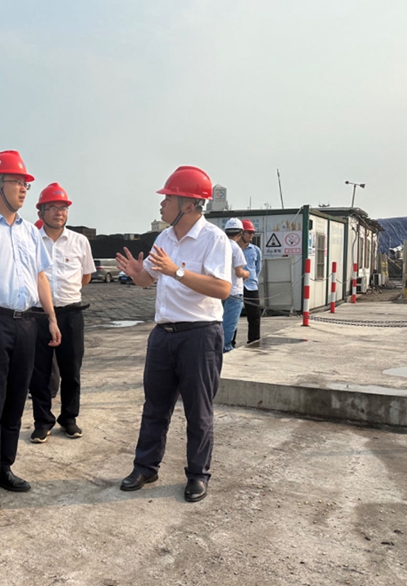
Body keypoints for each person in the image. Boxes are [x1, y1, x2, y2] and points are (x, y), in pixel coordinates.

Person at [116, 165, 231, 503]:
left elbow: (222, 288)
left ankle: (197, 475)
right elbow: (148, 279)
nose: (162, 203)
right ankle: (145, 467)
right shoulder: (164, 238)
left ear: (189, 204)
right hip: (163, 334)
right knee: (155, 406)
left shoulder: (214, 239)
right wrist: (137, 273)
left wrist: (176, 271)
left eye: (168, 198)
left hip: (200, 335)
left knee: (198, 410)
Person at [0, 150, 61, 512]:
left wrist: (51, 317)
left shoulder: (30, 233)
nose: (23, 189)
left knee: (17, 398)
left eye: (25, 183)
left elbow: (40, 277)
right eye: (17, 182)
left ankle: (5, 467)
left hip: (27, 322)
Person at [29, 183, 95, 443]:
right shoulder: (31, 240)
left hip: (71, 315)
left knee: (71, 371)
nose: (59, 213)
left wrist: (64, 295)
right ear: (41, 212)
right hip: (38, 315)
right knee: (40, 373)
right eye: (53, 208)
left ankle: (69, 418)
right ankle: (42, 421)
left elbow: (86, 276)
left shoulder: (80, 241)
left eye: (63, 208)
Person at [222, 218, 250, 353]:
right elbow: (239, 272)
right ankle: (225, 347)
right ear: (240, 233)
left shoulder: (220, 246)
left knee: (219, 321)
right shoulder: (235, 248)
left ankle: (217, 346)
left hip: (220, 289)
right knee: (229, 323)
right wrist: (247, 274)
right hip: (234, 291)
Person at [241, 219, 262, 343]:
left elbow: (257, 268)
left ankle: (254, 342)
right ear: (241, 233)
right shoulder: (232, 248)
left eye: (253, 233)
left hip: (251, 286)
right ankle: (229, 344)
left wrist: (252, 279)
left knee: (255, 316)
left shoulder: (256, 250)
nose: (251, 235)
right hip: (235, 287)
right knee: (232, 317)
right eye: (249, 232)